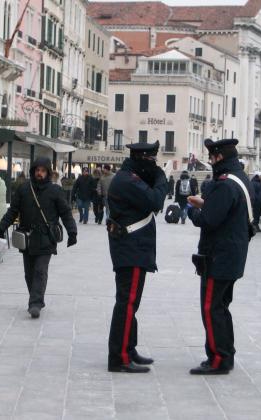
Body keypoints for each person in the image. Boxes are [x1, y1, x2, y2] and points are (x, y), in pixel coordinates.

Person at [187, 139, 252, 375]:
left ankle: (218, 359)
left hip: (219, 256)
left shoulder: (224, 184)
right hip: (232, 254)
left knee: (211, 307)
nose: (211, 162)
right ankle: (226, 353)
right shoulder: (240, 179)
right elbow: (228, 210)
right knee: (221, 307)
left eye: (213, 158)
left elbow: (209, 220)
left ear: (219, 158)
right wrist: (207, 203)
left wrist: (193, 210)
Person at [106, 141, 167, 373]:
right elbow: (155, 200)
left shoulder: (131, 176)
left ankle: (128, 349)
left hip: (134, 248)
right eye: (151, 160)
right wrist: (162, 178)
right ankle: (119, 357)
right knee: (127, 303)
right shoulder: (127, 180)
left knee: (131, 304)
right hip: (130, 249)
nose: (153, 165)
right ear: (142, 158)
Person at [0, 157, 77, 319]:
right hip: (27, 238)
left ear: (48, 172)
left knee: (40, 270)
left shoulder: (55, 191)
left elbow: (65, 213)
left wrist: (72, 232)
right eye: (37, 170)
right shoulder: (24, 189)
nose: (40, 173)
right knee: (29, 273)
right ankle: (35, 297)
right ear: (33, 171)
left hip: (46, 238)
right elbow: (13, 211)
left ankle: (36, 303)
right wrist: (1, 227)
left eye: (43, 170)